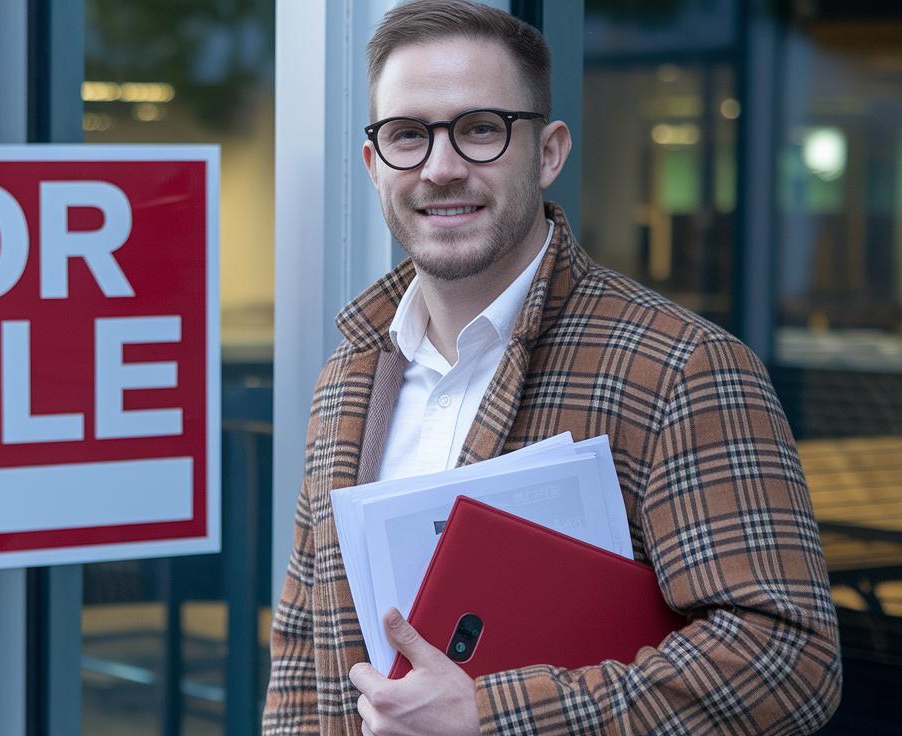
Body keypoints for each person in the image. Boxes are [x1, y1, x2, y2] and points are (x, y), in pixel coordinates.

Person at [262, 1, 842, 734]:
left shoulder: (680, 368)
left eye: (481, 128)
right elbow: (302, 652)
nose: (441, 168)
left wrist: (490, 717)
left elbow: (787, 661)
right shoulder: (349, 374)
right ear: (375, 165)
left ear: (548, 152)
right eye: (408, 135)